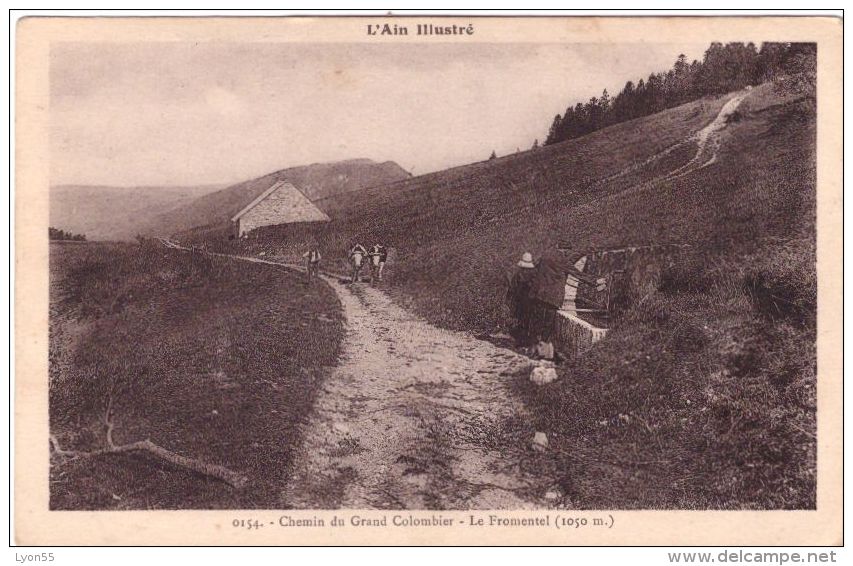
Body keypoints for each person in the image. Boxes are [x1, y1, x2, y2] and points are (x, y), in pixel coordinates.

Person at [506, 252, 536, 346]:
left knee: (519, 318)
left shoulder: (517, 275)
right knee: (527, 320)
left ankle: (519, 340)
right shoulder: (533, 276)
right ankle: (525, 340)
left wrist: (508, 300)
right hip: (530, 301)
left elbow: (512, 288)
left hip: (519, 300)